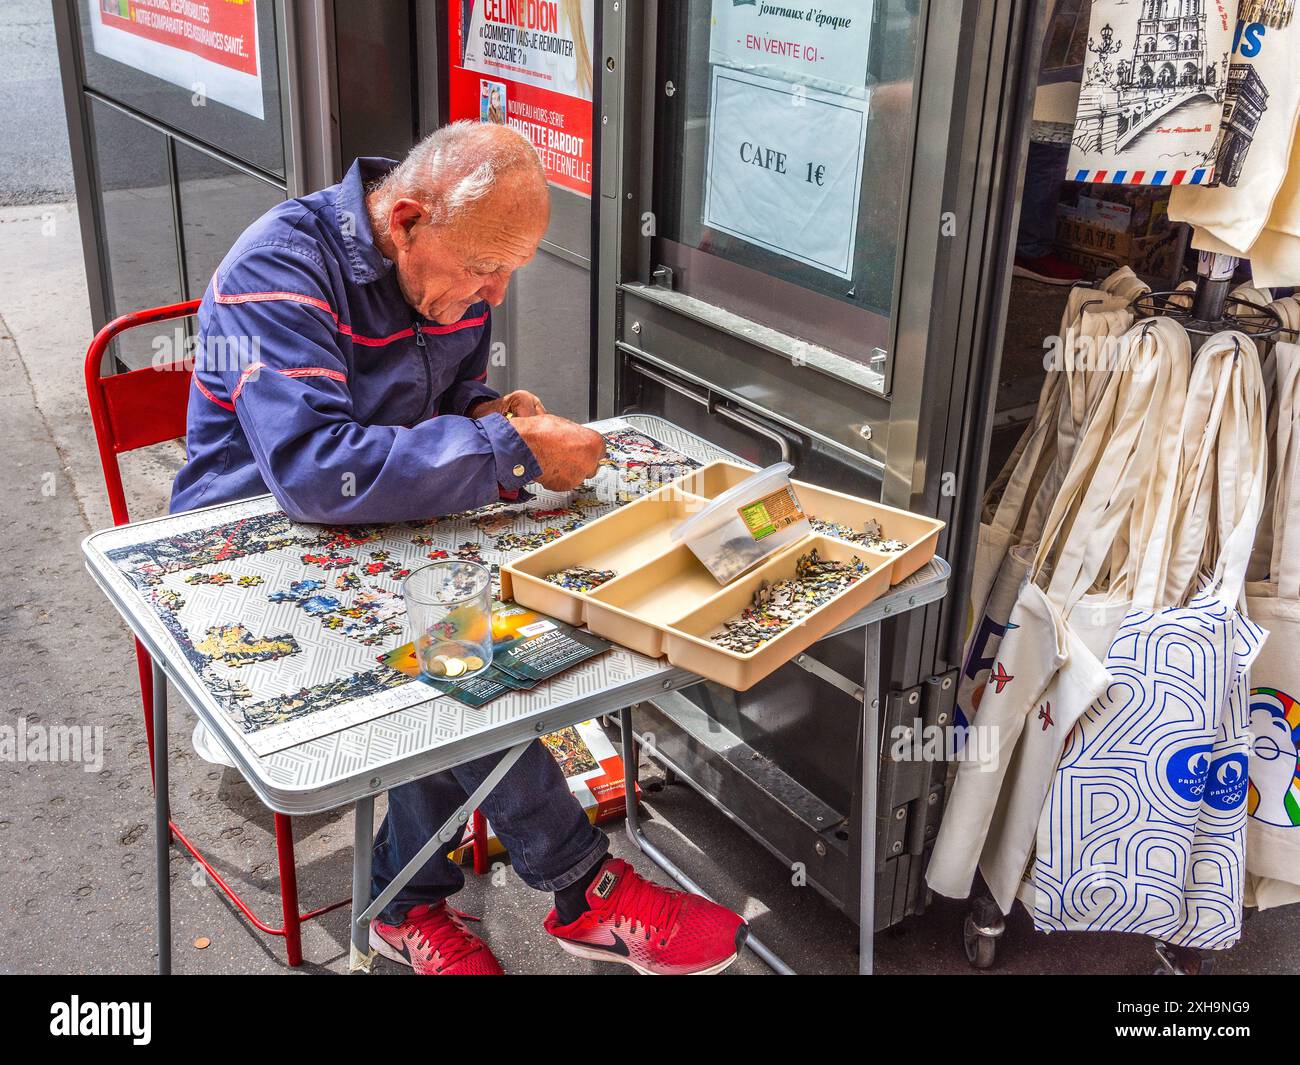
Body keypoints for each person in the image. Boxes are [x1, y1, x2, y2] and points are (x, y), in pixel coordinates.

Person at [171, 121, 747, 975]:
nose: (495, 296)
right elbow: (314, 470)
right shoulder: (279, 269)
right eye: (484, 269)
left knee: (483, 637)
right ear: (404, 220)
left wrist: (491, 418)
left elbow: (449, 396)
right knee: (456, 661)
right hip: (247, 558)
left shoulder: (443, 278)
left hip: (378, 538)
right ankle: (582, 886)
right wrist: (511, 454)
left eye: (512, 270)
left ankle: (405, 904)